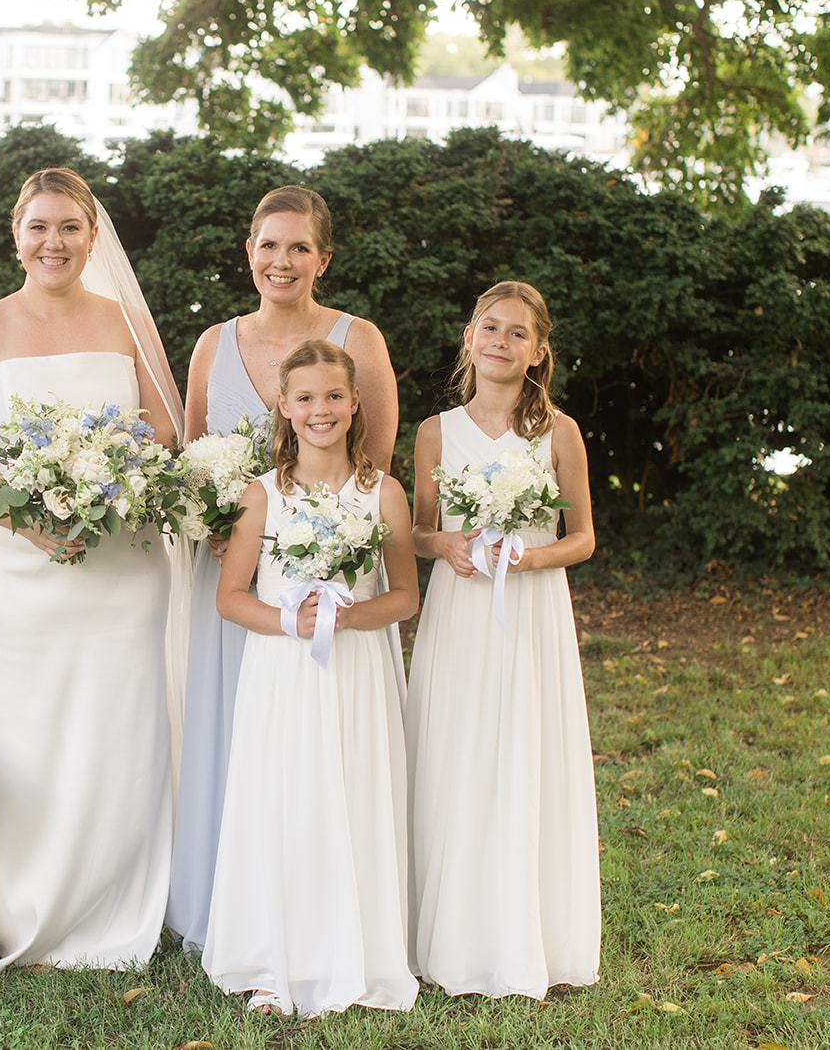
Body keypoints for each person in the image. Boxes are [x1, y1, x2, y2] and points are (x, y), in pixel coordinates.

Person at [0, 167, 185, 989]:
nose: (54, 241)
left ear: (92, 237)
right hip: (11, 564)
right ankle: (14, 892)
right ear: (15, 234)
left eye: (69, 226)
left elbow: (165, 436)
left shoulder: (125, 322)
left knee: (112, 719)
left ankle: (105, 895)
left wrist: (110, 494)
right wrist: (29, 521)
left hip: (117, 567)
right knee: (15, 720)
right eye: (39, 226)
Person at [168, 186, 400, 952]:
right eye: (269, 245)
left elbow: (374, 469)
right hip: (236, 577)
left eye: (300, 247)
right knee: (238, 731)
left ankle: (326, 906)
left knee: (319, 740)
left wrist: (322, 556)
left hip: (328, 578)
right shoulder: (213, 343)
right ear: (249, 252)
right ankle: (231, 907)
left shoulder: (356, 338)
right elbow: (194, 456)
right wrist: (214, 527)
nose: (282, 260)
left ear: (323, 259)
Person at [203, 339, 418, 1017]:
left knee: (354, 795)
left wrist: (352, 619)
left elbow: (406, 594)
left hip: (356, 670)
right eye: (305, 398)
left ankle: (362, 953)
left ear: (355, 404)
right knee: (286, 797)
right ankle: (275, 955)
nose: (320, 409)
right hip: (284, 672)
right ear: (284, 408)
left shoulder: (382, 490)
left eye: (333, 396)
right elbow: (230, 596)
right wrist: (287, 622)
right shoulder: (261, 494)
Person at [406, 280, 599, 997]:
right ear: (469, 337)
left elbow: (580, 537)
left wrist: (526, 557)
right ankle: (449, 932)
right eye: (491, 327)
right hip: (459, 609)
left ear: (539, 351)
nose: (501, 342)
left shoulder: (561, 432)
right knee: (454, 751)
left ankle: (527, 932)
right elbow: (420, 530)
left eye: (519, 333)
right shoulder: (434, 431)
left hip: (531, 608)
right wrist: (447, 546)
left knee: (524, 750)